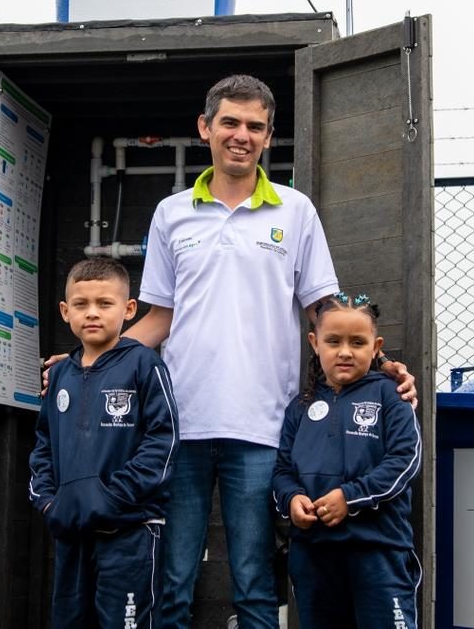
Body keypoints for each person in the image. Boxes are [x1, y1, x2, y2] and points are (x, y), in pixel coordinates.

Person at [44, 74, 417, 628]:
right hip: (178, 428)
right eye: (230, 123)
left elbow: (324, 310)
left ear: (268, 137)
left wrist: (381, 367)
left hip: (265, 428)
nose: (242, 135)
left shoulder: (296, 212)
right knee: (172, 584)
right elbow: (160, 319)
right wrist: (87, 364)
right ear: (205, 128)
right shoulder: (172, 213)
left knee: (254, 583)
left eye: (255, 126)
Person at [28, 258, 179, 629]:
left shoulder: (145, 365)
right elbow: (43, 444)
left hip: (130, 533)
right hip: (73, 534)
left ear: (128, 310)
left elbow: (164, 440)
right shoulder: (60, 374)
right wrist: (48, 502)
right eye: (81, 305)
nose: (92, 313)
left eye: (104, 304)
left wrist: (113, 497)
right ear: (65, 312)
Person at [272, 292, 422, 629]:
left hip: (379, 551)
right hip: (314, 555)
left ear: (376, 345)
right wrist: (293, 499)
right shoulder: (300, 407)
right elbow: (282, 470)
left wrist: (349, 497)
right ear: (314, 342)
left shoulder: (392, 395)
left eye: (357, 342)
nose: (344, 351)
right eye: (333, 341)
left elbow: (405, 460)